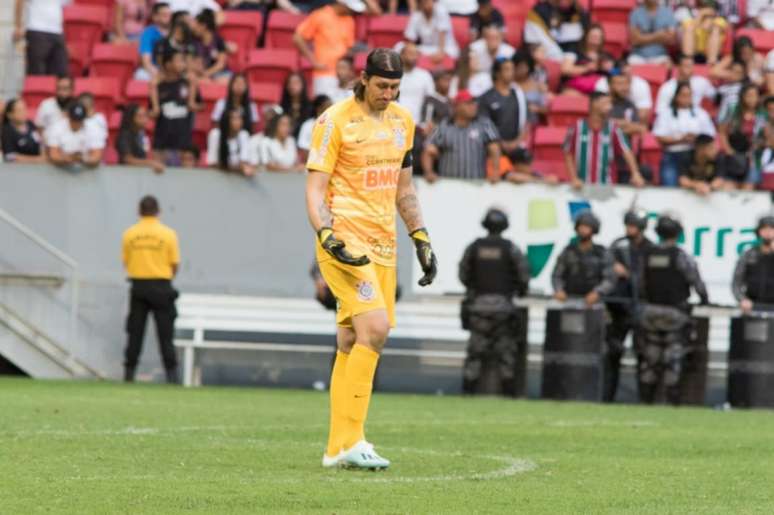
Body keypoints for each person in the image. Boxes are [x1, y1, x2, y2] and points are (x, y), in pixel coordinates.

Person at [305, 48, 437, 470]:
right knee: (375, 330)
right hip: (345, 242)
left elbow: (404, 190)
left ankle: (336, 447)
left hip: (385, 246)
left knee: (349, 341)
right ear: (363, 79)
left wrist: (421, 237)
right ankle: (355, 439)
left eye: (395, 87)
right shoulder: (334, 121)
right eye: (382, 86)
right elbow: (314, 188)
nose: (388, 94)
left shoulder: (402, 122)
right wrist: (325, 233)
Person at [638, 214, 709, 405]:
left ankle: (646, 401)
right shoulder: (680, 255)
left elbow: (640, 284)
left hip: (650, 313)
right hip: (674, 314)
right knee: (673, 358)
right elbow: (695, 280)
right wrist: (704, 299)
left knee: (650, 357)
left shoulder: (648, 254)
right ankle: (671, 401)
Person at [458, 208, 530, 396]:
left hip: (478, 307)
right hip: (503, 309)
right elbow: (523, 275)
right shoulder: (510, 248)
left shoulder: (475, 247)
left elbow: (463, 274)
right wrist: (518, 291)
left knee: (475, 351)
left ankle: (468, 390)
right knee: (506, 352)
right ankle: (508, 392)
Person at [122, 195, 181, 384]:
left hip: (138, 286)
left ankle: (129, 375)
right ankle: (171, 376)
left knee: (135, 332)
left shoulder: (130, 233)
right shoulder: (168, 234)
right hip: (162, 286)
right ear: (158, 212)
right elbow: (174, 264)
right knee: (165, 334)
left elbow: (126, 261)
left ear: (139, 211)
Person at [604, 210, 654, 403]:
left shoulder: (650, 248)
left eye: (632, 225)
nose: (629, 229)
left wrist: (630, 274)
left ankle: (644, 400)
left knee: (643, 354)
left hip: (640, 306)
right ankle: (607, 398)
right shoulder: (618, 245)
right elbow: (606, 268)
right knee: (612, 353)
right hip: (618, 306)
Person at [562, 91, 645, 189]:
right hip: (581, 186)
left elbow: (626, 151)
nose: (609, 107)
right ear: (594, 104)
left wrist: (635, 173)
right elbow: (567, 153)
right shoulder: (577, 127)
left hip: (606, 187)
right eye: (605, 103)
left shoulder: (613, 129)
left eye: (610, 104)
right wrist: (574, 178)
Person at [421, 89, 501, 182]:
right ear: (457, 106)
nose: (474, 106)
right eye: (468, 103)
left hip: (477, 186)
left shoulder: (484, 124)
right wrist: (428, 172)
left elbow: (494, 148)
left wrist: (495, 172)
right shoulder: (444, 126)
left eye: (474, 103)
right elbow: (429, 150)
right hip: (448, 186)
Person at [293, 0, 362, 98]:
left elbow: (349, 47)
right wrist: (314, 61)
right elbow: (298, 38)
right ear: (342, 4)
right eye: (349, 8)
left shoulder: (349, 20)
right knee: (324, 109)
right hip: (324, 73)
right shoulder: (320, 15)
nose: (351, 11)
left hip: (343, 76)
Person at [653, 81, 717, 186]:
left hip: (694, 157)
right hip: (672, 155)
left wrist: (696, 139)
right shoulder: (666, 114)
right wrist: (681, 139)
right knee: (670, 187)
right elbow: (659, 137)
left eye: (689, 95)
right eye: (683, 95)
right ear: (676, 97)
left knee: (696, 186)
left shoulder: (701, 113)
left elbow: (710, 136)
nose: (686, 98)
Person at [552, 209, 615, 307]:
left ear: (593, 229)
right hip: (569, 300)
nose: (583, 230)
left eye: (587, 227)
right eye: (581, 226)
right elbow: (557, 275)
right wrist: (559, 290)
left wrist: (597, 292)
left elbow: (609, 279)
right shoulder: (568, 252)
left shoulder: (601, 253)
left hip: (594, 302)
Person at [151, 49, 200, 166]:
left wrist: (193, 103)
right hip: (162, 142)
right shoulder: (158, 86)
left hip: (183, 142)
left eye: (183, 61)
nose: (182, 64)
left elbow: (199, 105)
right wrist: (152, 90)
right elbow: (153, 112)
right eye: (179, 61)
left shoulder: (188, 84)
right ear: (168, 65)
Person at [477, 58, 529, 162]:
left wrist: (516, 142)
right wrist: (500, 143)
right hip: (493, 148)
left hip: (516, 146)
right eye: (507, 69)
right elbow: (484, 124)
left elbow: (526, 122)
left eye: (512, 69)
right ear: (497, 73)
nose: (511, 73)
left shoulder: (519, 96)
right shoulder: (486, 98)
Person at [13, 0, 69, 76]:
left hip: (57, 31)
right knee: (36, 72)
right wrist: (18, 26)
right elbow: (19, 1)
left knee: (60, 73)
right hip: (36, 29)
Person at [732, 215, 774, 314]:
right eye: (764, 229)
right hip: (753, 307)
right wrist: (742, 299)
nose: (768, 233)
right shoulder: (749, 255)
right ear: (759, 232)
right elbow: (736, 282)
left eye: (771, 229)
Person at [524, 0, 590, 61]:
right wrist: (562, 59)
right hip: (550, 60)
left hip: (575, 60)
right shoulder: (539, 12)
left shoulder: (580, 13)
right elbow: (538, 43)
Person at [46, 102, 105, 169]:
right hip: (62, 168)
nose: (76, 123)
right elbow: (53, 154)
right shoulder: (57, 127)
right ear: (68, 116)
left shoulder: (94, 128)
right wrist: (66, 158)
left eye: (79, 120)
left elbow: (96, 157)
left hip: (87, 169)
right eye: (73, 120)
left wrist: (83, 159)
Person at [560, 24, 614, 96]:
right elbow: (565, 70)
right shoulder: (574, 50)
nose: (596, 38)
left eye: (598, 36)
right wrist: (587, 68)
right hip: (576, 87)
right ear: (586, 36)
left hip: (599, 88)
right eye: (593, 36)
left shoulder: (606, 55)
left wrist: (608, 68)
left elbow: (615, 73)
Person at [467, 23, 515, 97]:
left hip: (501, 81)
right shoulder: (475, 48)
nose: (492, 41)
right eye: (489, 37)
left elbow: (511, 73)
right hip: (480, 82)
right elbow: (471, 71)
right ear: (484, 38)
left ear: (501, 38)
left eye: (496, 38)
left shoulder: (509, 52)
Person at [116, 104, 165, 173]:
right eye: (140, 116)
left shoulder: (141, 134)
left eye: (145, 115)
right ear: (131, 118)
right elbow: (127, 159)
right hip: (127, 175)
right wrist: (150, 163)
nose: (145, 119)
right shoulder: (125, 135)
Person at [718, 83, 764, 156]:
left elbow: (761, 136)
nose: (752, 99)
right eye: (749, 95)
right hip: (733, 150)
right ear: (742, 96)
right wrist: (729, 151)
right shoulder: (733, 111)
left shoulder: (762, 114)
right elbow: (722, 132)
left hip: (752, 153)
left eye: (755, 95)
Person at [628, 0, 677, 65]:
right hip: (638, 56)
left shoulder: (667, 13)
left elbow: (671, 40)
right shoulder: (636, 13)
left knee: (669, 66)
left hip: (661, 56)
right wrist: (658, 35)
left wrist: (642, 37)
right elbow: (634, 40)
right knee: (629, 66)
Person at [207, 108, 254, 175]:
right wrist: (236, 168)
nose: (238, 122)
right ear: (226, 120)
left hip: (237, 178)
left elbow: (244, 160)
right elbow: (212, 163)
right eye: (234, 119)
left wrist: (244, 167)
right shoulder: (215, 134)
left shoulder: (244, 134)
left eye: (240, 118)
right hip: (218, 175)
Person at [398, 41, 435, 123]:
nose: (414, 57)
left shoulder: (425, 75)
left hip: (417, 124)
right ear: (402, 55)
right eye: (410, 53)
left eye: (416, 54)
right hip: (394, 122)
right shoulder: (394, 75)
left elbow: (431, 102)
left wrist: (428, 121)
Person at [680, 0, 727, 65]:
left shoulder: (719, 21)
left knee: (715, 31)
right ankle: (687, 61)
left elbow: (708, 27)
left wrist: (709, 21)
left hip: (711, 55)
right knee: (689, 29)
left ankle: (711, 62)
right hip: (694, 54)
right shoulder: (694, 21)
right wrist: (700, 16)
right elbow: (687, 27)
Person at [190, 9, 230, 83]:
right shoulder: (193, 41)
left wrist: (207, 73)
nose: (193, 28)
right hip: (199, 74)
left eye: (196, 25)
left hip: (217, 73)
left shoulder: (218, 40)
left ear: (203, 26)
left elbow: (221, 64)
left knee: (226, 80)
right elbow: (191, 61)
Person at [136, 2, 173, 81]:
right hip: (154, 70)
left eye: (169, 15)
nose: (168, 18)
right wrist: (159, 73)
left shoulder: (175, 32)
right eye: (164, 15)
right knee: (140, 75)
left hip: (173, 71)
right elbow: (146, 62)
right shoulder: (148, 33)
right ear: (155, 17)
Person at [1, 99, 45, 164]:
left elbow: (40, 143)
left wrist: (43, 156)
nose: (23, 112)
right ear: (9, 115)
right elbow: (10, 156)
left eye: (24, 109)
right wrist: (37, 160)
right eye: (19, 110)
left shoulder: (30, 124)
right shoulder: (7, 131)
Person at [513, 49, 549, 125]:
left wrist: (536, 109)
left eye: (522, 67)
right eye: (517, 67)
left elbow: (546, 109)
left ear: (529, 67)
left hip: (532, 124)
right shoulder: (509, 85)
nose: (519, 70)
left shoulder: (539, 86)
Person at [298, 94, 333, 160]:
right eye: (328, 106)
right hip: (311, 164)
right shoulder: (307, 125)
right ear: (319, 108)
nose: (331, 109)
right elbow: (303, 149)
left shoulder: (334, 124)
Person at [280, 72, 314, 139]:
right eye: (289, 83)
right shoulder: (281, 108)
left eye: (296, 83)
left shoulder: (311, 107)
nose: (292, 86)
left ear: (303, 85)